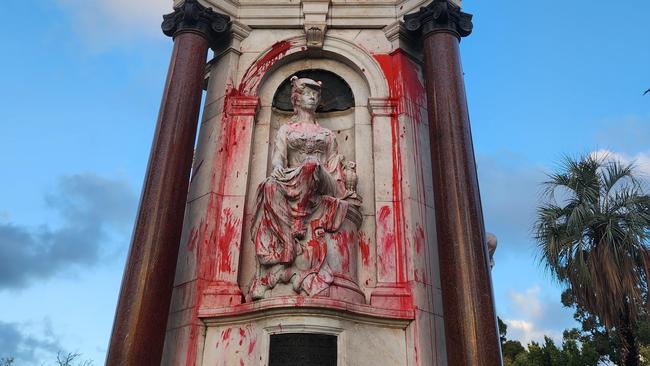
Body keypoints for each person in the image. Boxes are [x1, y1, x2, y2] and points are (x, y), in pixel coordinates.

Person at [249, 77, 353, 300]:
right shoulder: (286, 130)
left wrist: (337, 181)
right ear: (296, 98)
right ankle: (286, 242)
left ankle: (298, 220)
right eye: (308, 93)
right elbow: (279, 158)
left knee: (312, 165)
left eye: (316, 94)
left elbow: (333, 164)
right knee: (268, 185)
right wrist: (277, 170)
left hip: (322, 178)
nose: (313, 97)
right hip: (294, 178)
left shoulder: (326, 135)